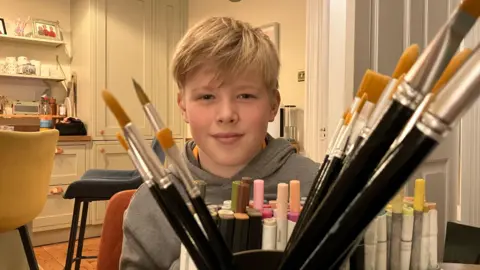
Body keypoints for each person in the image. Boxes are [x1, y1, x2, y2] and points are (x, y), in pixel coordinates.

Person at [120, 16, 320, 269]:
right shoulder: (152, 203)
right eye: (207, 96)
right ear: (183, 106)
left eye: (245, 95)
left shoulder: (318, 187)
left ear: (273, 104)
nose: (226, 114)